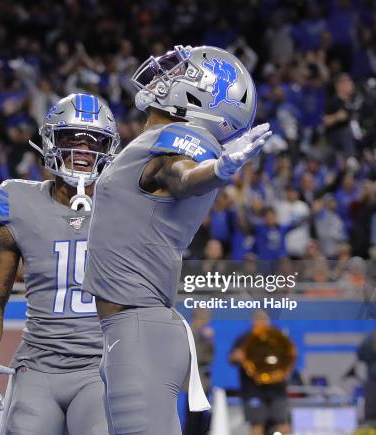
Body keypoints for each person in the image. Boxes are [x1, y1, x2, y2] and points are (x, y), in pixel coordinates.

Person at [82, 45, 270, 434]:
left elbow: (182, 176)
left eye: (182, 71)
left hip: (139, 329)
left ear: (200, 95)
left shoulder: (178, 137)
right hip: (130, 329)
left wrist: (218, 170)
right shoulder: (158, 138)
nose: (167, 74)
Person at [0, 93, 120, 435]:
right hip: (37, 365)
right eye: (72, 139)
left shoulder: (126, 205)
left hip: (100, 366)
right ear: (51, 141)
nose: (83, 151)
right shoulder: (18, 202)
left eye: (94, 142)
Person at [229, 310, 291, 435]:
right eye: (258, 320)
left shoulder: (277, 336)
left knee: (283, 425)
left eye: (264, 320)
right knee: (257, 425)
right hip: (253, 390)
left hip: (277, 390)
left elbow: (288, 356)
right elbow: (231, 358)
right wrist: (238, 356)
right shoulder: (245, 339)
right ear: (253, 322)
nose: (261, 323)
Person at [184, 308, 215, 435]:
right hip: (195, 381)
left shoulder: (202, 332)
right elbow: (199, 356)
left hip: (202, 381)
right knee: (194, 417)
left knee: (201, 416)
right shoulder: (193, 331)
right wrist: (207, 340)